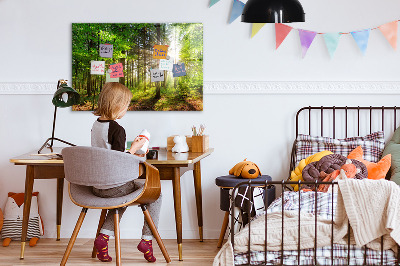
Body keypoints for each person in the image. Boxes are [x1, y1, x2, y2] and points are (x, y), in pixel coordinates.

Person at [91, 82, 161, 263]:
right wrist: (136, 148)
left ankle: (103, 238)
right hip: (114, 186)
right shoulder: (117, 129)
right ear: (117, 105)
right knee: (156, 194)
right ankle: (147, 240)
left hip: (97, 186)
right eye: (127, 105)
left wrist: (131, 149)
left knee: (121, 197)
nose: (127, 109)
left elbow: (108, 154)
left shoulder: (96, 125)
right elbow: (119, 161)